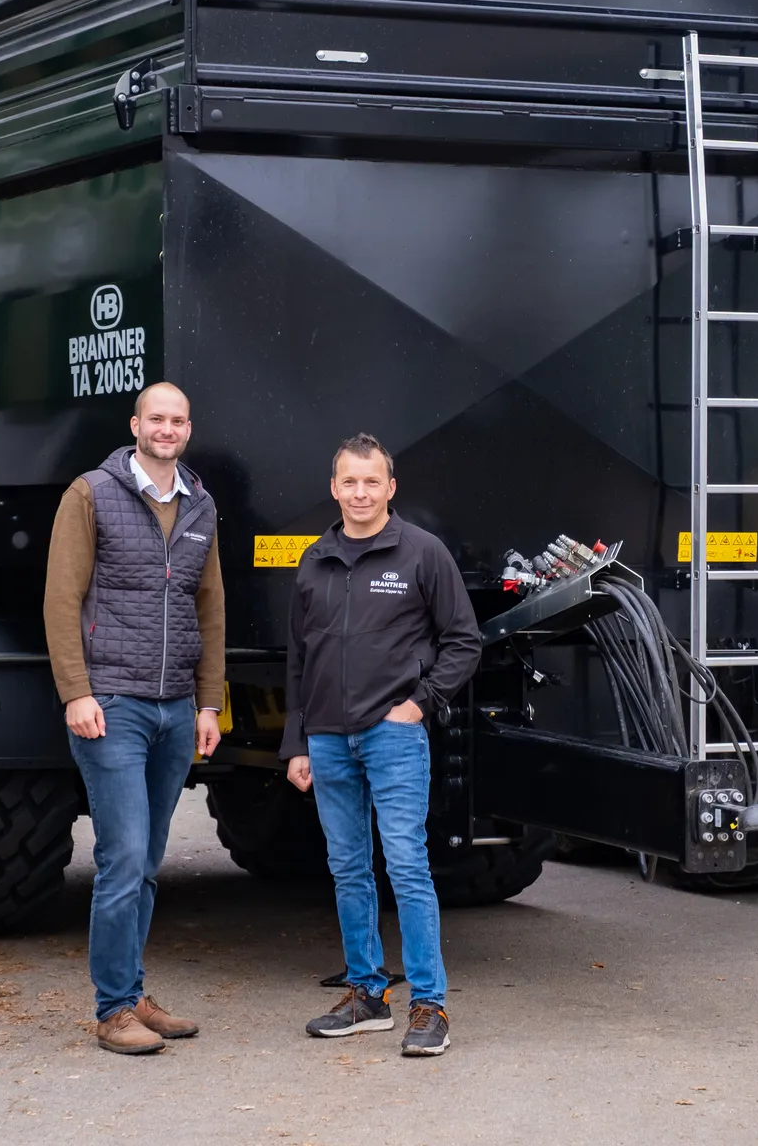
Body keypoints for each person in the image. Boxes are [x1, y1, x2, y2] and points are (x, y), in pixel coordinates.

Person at [282, 433, 481, 1057]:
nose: (361, 493)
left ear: (390, 488)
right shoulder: (315, 559)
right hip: (326, 738)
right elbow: (299, 660)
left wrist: (418, 705)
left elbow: (464, 642)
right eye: (350, 481)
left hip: (392, 735)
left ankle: (429, 1004)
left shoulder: (422, 552)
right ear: (334, 487)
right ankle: (367, 994)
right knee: (347, 868)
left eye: (372, 481)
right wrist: (297, 743)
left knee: (406, 865)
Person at [44, 381, 225, 1055]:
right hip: (111, 703)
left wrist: (209, 703)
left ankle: (133, 991)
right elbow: (61, 598)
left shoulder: (201, 502)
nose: (167, 429)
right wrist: (76, 691)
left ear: (188, 429)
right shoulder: (91, 494)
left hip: (175, 708)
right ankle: (114, 1009)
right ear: (135, 425)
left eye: (178, 420)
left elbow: (211, 606)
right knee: (122, 856)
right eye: (157, 419)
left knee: (147, 860)